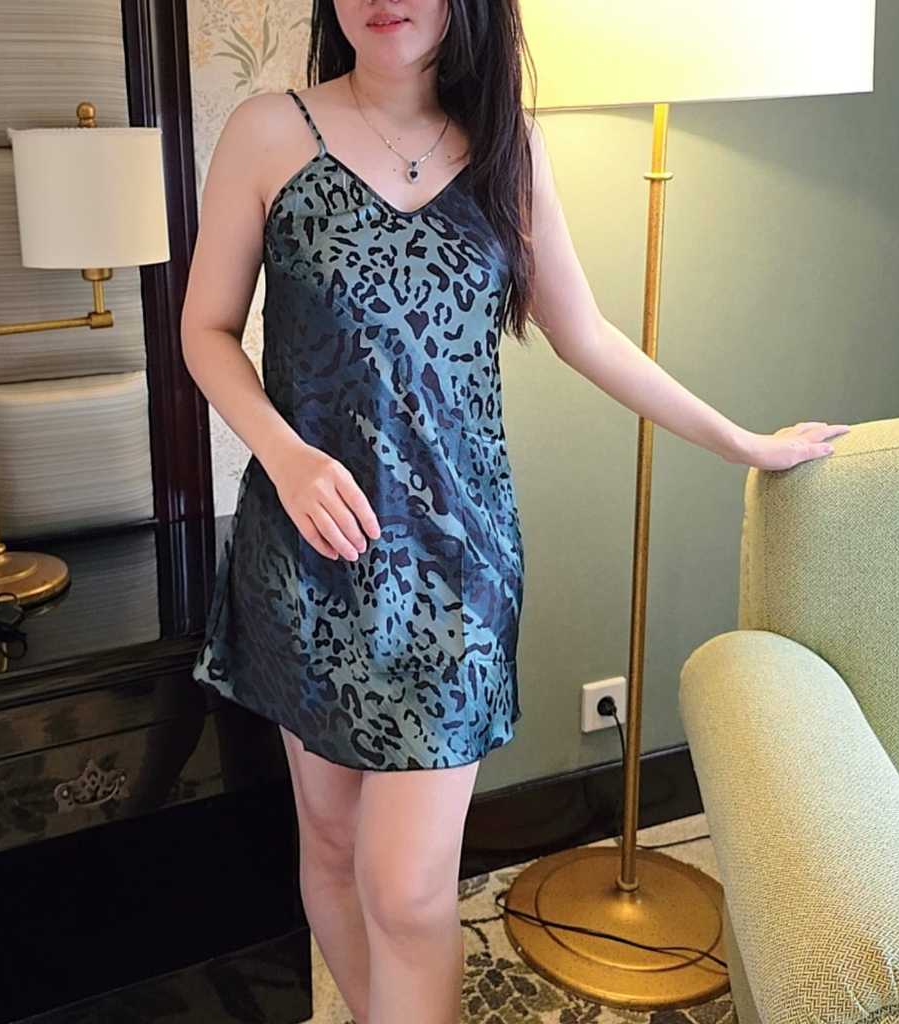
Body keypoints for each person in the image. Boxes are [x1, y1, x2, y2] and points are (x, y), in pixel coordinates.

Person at [180, 2, 850, 1021]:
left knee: (406, 892)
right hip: (309, 553)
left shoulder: (506, 146)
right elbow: (206, 329)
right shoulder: (269, 132)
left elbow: (587, 335)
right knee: (332, 844)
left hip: (458, 569)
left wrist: (741, 441)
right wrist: (285, 453)